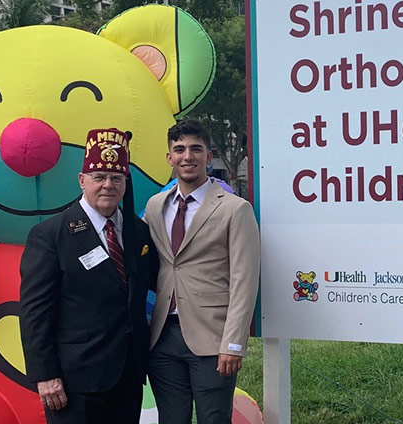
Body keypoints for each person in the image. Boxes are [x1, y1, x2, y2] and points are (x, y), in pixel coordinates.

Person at [20, 128, 157, 424]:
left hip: (128, 376)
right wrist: (46, 375)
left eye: (116, 178)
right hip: (75, 380)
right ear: (82, 181)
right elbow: (35, 312)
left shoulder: (138, 231)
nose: (108, 185)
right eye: (99, 177)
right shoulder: (51, 235)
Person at [144, 119, 260, 424]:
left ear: (209, 156)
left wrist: (233, 343)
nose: (187, 156)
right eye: (179, 149)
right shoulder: (156, 206)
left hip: (212, 338)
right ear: (169, 158)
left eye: (196, 149)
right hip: (162, 337)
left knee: (214, 419)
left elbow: (244, 281)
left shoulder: (235, 209)